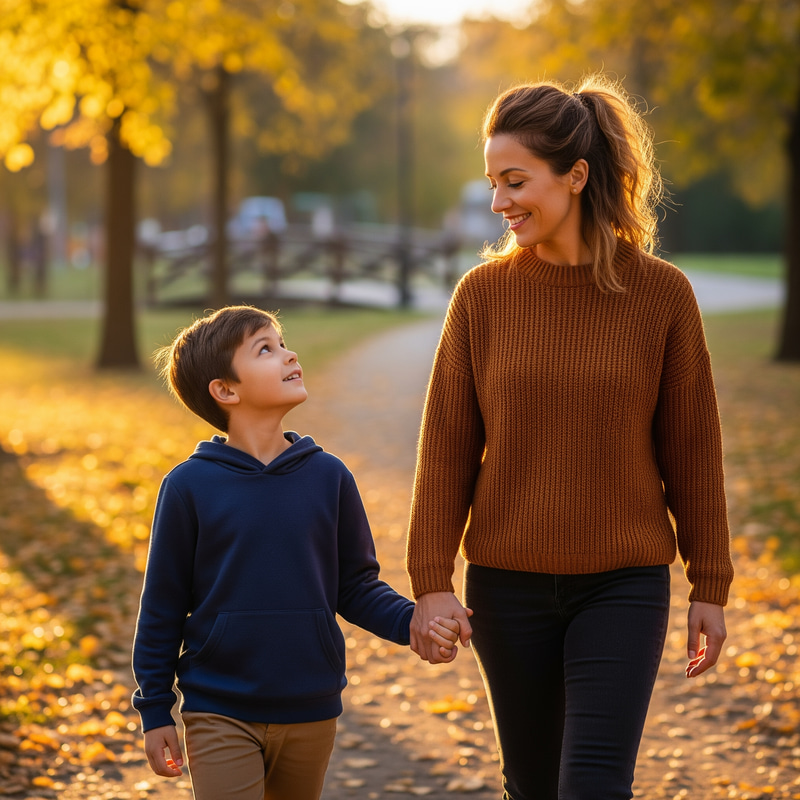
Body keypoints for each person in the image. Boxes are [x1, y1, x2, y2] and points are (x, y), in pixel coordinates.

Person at [405, 74, 735, 799]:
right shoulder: (481, 298)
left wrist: (710, 578)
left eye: (515, 180)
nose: (499, 202)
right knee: (530, 783)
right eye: (493, 182)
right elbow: (448, 449)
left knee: (591, 782)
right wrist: (431, 581)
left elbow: (693, 450)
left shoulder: (663, 296)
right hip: (507, 586)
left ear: (576, 175)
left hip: (623, 582)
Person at [131, 305, 461, 800]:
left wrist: (411, 623)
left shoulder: (329, 477)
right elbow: (162, 605)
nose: (289, 355)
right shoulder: (188, 487)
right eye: (266, 349)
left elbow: (354, 586)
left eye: (282, 343)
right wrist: (155, 708)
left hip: (311, 706)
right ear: (226, 390)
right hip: (219, 706)